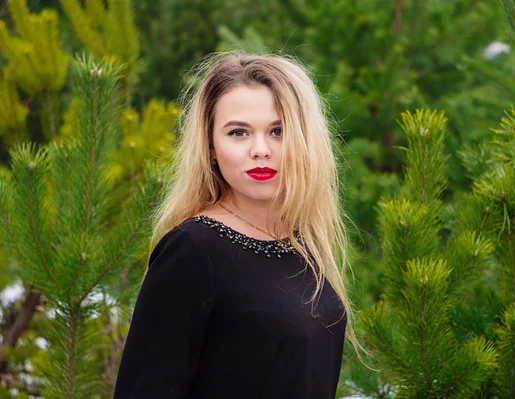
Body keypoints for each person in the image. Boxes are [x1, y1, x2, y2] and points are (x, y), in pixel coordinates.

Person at [113, 52, 364, 398]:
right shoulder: (193, 250)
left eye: (278, 131)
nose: (261, 150)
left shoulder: (303, 245)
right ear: (211, 146)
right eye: (239, 132)